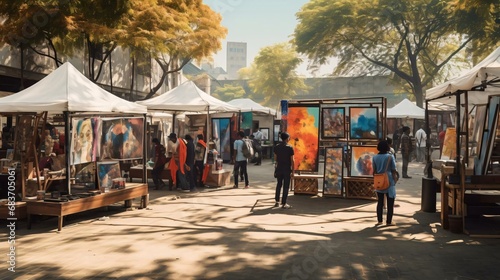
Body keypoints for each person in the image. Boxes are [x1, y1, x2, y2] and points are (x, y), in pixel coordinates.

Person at [372, 140, 397, 226]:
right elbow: (393, 170)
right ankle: (389, 221)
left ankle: (379, 220)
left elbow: (374, 171)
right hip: (389, 180)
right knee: (390, 202)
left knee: (380, 202)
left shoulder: (374, 157)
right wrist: (395, 180)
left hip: (379, 180)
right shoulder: (390, 157)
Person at [274, 132, 295, 209]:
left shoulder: (276, 147)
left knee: (279, 185)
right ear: (287, 138)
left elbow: (275, 159)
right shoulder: (290, 148)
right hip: (286, 169)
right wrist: (293, 171)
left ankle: (277, 201)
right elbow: (292, 160)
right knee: (286, 186)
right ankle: (284, 203)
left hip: (279, 168)